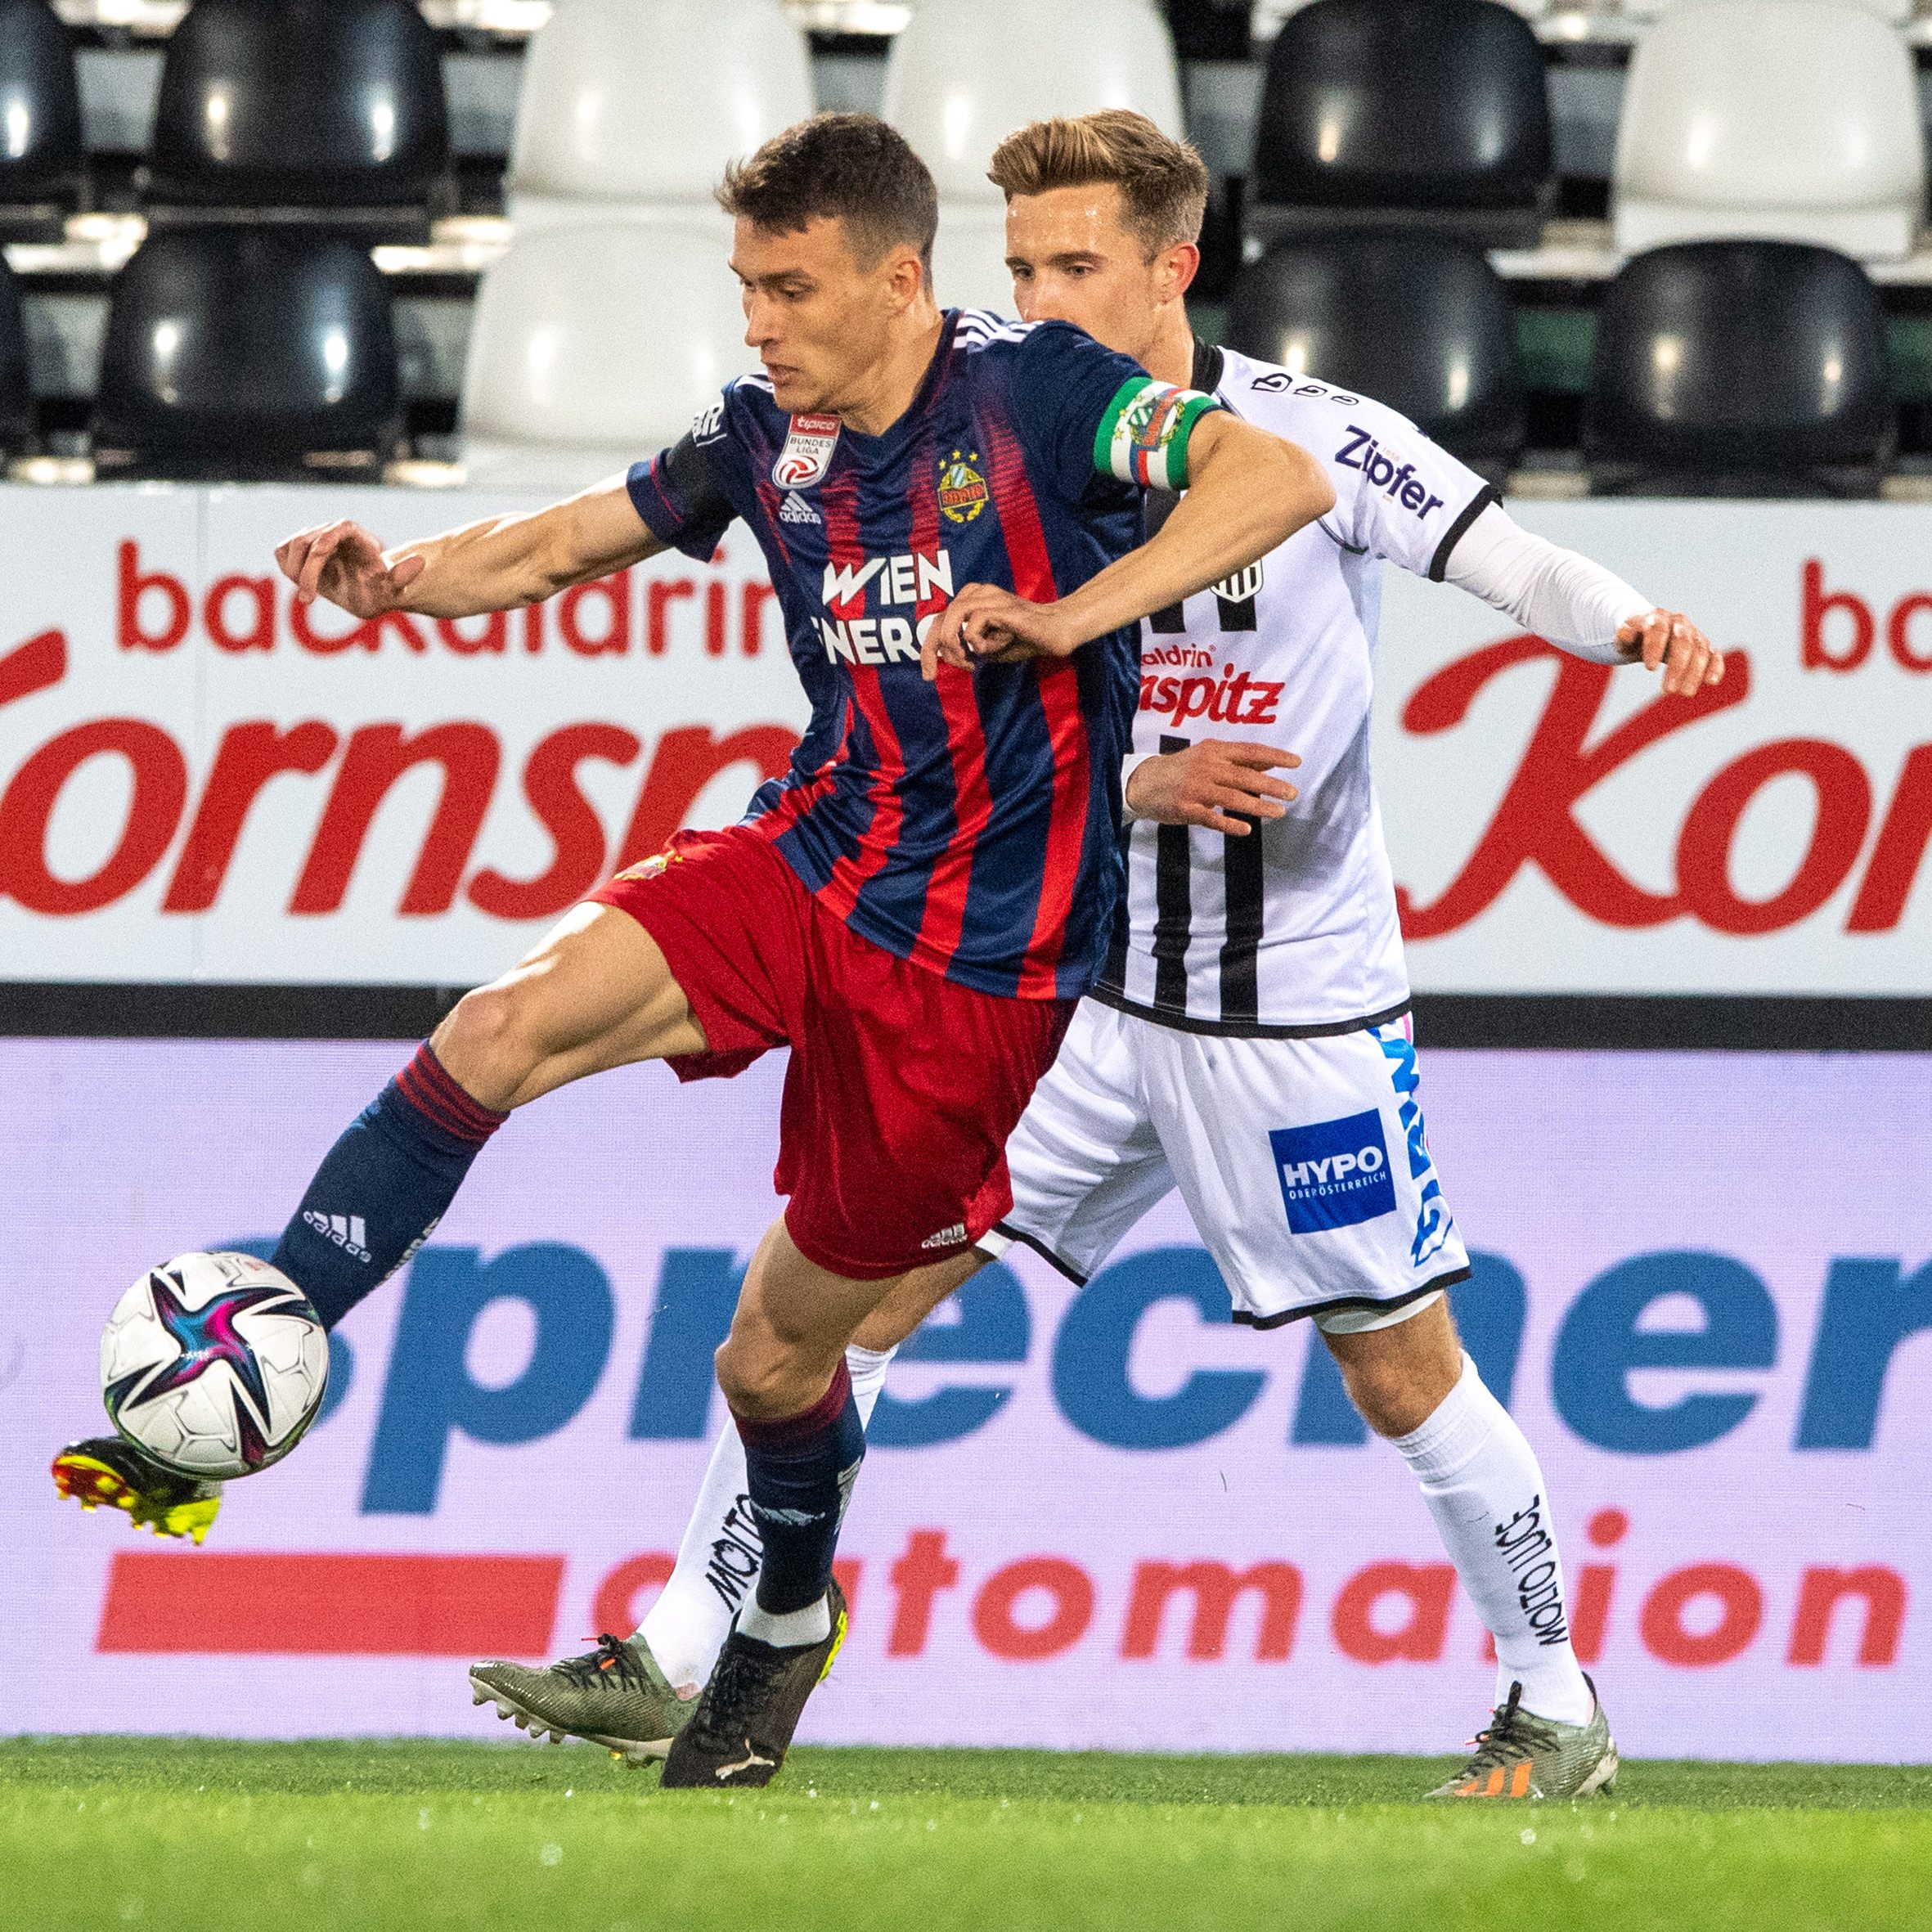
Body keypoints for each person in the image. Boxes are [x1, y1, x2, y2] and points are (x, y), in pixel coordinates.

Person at [50, 112, 1333, 1790]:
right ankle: (288, 1319)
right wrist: (393, 581)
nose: (760, 325)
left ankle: (784, 1624)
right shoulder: (762, 435)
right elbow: (558, 539)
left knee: (769, 1354)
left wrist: (1075, 617)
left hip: (975, 980)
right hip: (806, 856)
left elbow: (1274, 474)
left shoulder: (1036, 394)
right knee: (501, 1022)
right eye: (745, 289)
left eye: (790, 291)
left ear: (894, 281)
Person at [470, 110, 1725, 1803]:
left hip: (1287, 1013)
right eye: (1021, 267)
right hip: (1079, 995)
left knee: (1396, 1361)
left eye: (1076, 264)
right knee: (854, 1297)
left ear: (1170, 264)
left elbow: (1506, 558)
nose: (1042, 296)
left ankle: (1551, 1694)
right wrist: (1138, 775)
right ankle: (688, 1644)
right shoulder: (1002, 431)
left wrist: (1628, 624)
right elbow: (980, 726)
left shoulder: (1303, 436)